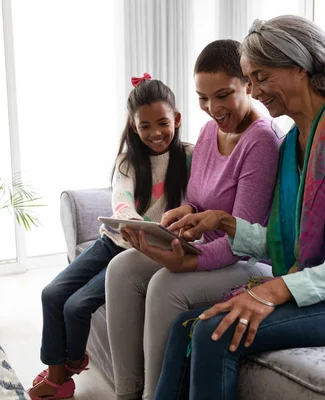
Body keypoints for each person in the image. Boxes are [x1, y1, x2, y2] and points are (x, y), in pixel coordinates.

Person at [153, 16, 325, 400]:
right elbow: (292, 244)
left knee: (214, 330)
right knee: (187, 322)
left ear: (299, 67)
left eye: (261, 76)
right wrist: (226, 223)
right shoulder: (291, 145)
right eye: (250, 79)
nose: (253, 90)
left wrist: (274, 290)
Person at [105, 40, 282, 400]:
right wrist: (185, 213)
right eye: (203, 98)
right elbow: (199, 201)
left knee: (165, 286)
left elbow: (241, 238)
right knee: (121, 269)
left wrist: (191, 260)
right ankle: (127, 393)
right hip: (206, 247)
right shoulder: (207, 132)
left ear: (247, 84)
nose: (213, 108)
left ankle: (156, 395)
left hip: (249, 263)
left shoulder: (261, 141)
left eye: (223, 95)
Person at [27, 74, 192, 400]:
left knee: (76, 307)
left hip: (143, 253)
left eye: (162, 123)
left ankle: (65, 371)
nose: (155, 133)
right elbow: (121, 199)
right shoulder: (127, 161)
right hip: (114, 241)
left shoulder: (189, 157)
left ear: (176, 119)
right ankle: (60, 372)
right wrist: (129, 220)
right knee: (51, 294)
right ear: (133, 126)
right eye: (145, 126)